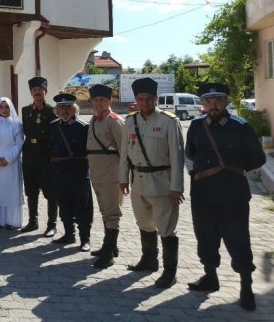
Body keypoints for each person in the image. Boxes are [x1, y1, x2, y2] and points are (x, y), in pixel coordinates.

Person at [185, 83, 266, 311]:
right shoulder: (196, 125)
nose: (213, 105)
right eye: (208, 101)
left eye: (218, 100)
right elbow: (190, 152)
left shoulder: (240, 126)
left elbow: (258, 158)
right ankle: (210, 277)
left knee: (237, 238)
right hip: (202, 192)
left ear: (226, 102)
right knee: (205, 236)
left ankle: (246, 287)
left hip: (232, 192)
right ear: (202, 104)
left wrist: (233, 167)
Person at [120, 77, 184, 289]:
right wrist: (123, 178)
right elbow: (124, 153)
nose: (145, 103)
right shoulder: (130, 121)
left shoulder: (168, 121)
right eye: (140, 99)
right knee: (144, 223)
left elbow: (177, 156)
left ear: (156, 99)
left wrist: (177, 187)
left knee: (166, 228)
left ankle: (170, 272)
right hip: (138, 183)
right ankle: (149, 260)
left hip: (162, 184)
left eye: (149, 99)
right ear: (136, 100)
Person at [48, 93, 92, 251]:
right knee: (64, 206)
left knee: (82, 207)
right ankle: (68, 234)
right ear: (57, 110)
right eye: (61, 108)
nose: (65, 111)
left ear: (74, 109)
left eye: (68, 107)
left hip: (78, 173)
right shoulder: (53, 126)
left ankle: (85, 239)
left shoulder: (83, 127)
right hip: (60, 173)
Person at [86, 84, 124, 269]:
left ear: (110, 101)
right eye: (95, 100)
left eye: (102, 100)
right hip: (97, 173)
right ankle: (110, 246)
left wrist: (124, 177)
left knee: (111, 212)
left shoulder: (114, 121)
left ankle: (108, 253)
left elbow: (124, 150)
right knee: (104, 210)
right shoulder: (94, 120)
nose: (98, 103)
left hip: (111, 174)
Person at [20, 77, 58, 236]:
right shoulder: (25, 111)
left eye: (40, 90)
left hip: (45, 155)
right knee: (31, 190)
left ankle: (52, 225)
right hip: (29, 153)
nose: (37, 92)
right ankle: (33, 221)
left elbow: (55, 135)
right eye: (34, 90)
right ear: (31, 92)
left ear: (45, 92)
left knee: (51, 192)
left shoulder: (52, 111)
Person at [0, 97, 24, 229]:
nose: (4, 109)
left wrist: (8, 159)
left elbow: (19, 143)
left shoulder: (16, 124)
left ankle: (11, 221)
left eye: (7, 107)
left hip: (11, 163)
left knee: (11, 191)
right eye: (1, 107)